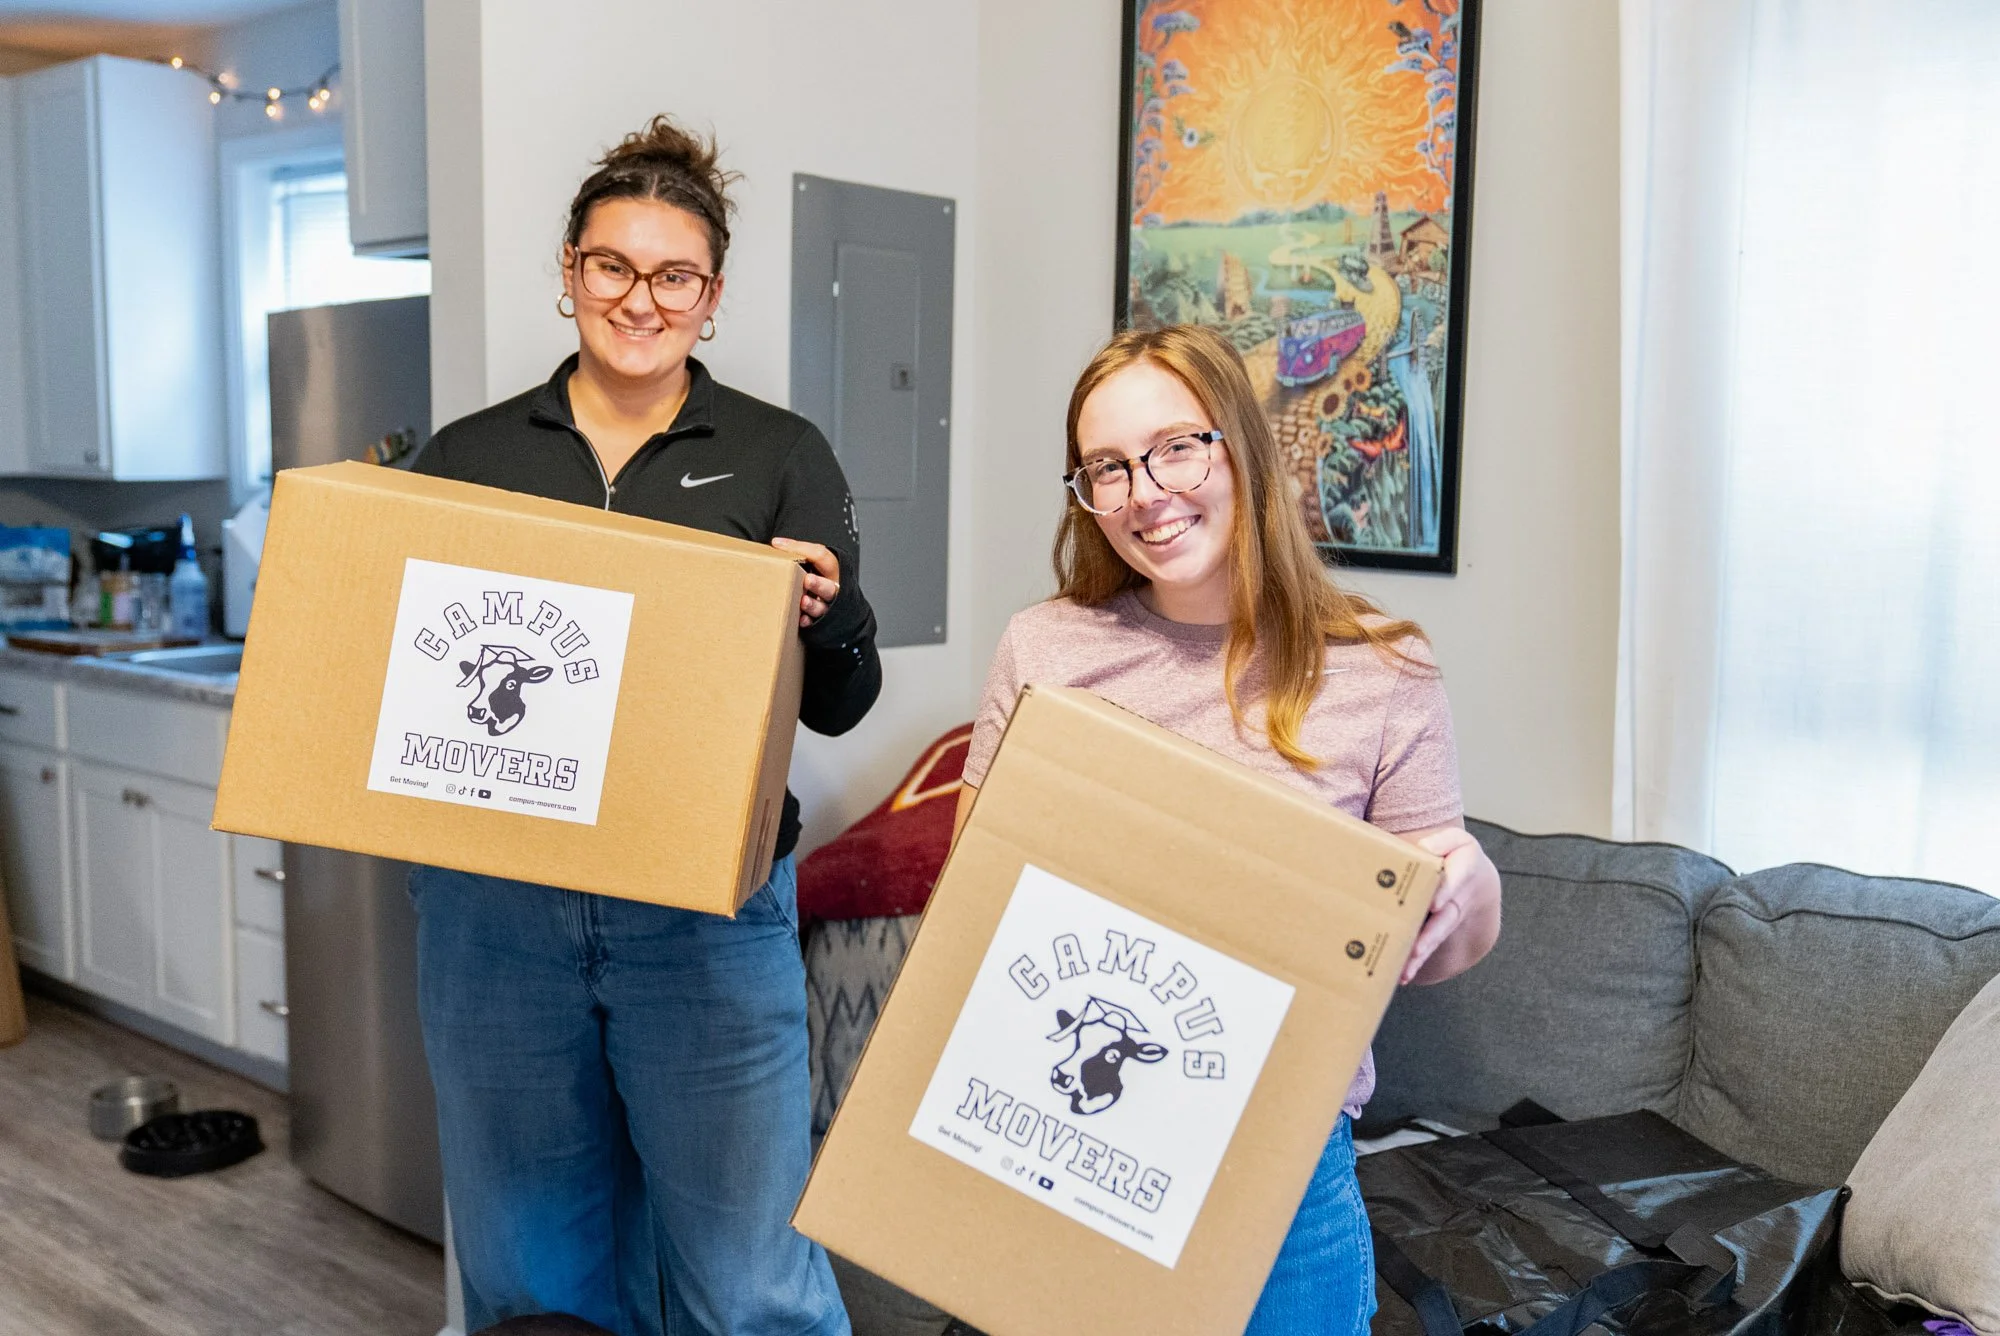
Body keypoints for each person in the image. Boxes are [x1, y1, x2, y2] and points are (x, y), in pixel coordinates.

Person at [406, 116, 872, 1336]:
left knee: (752, 1277)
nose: (639, 299)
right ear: (569, 272)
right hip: (497, 910)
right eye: (612, 266)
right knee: (531, 1274)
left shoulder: (779, 453)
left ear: (708, 297)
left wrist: (831, 613)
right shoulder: (468, 457)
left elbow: (839, 698)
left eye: (673, 276)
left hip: (706, 917)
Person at [954, 324, 1502, 1335]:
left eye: (1174, 447)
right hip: (1077, 1138)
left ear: (1237, 446)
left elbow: (1431, 947)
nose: (1145, 493)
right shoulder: (1044, 650)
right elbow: (975, 902)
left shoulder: (1381, 668)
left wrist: (1470, 886)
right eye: (1106, 469)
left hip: (1283, 1174)